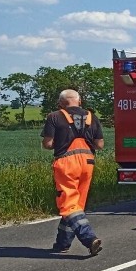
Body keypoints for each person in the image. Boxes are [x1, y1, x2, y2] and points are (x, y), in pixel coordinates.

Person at [41, 89, 105, 255]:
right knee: (76, 206)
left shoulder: (54, 116)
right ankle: (62, 244)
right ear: (79, 101)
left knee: (68, 205)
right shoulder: (92, 116)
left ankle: (90, 239)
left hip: (66, 163)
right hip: (88, 162)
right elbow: (99, 145)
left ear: (61, 103)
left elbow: (47, 144)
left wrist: (61, 142)